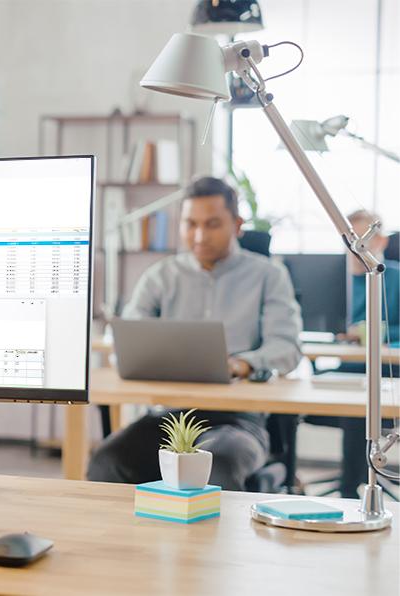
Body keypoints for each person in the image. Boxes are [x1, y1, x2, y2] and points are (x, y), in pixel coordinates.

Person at [87, 176, 303, 490]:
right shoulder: (161, 276)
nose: (199, 235)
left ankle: (204, 542)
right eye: (190, 224)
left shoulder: (268, 276)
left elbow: (287, 347)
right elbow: (128, 342)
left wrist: (241, 364)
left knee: (215, 466)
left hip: (238, 422)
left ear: (238, 224)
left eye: (213, 224)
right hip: (169, 417)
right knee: (107, 460)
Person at [311, 209, 399, 498]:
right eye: (350, 242)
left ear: (381, 241)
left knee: (360, 400)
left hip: (389, 369)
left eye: (363, 241)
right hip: (347, 365)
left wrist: (375, 333)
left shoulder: (394, 278)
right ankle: (293, 478)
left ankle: (353, 485)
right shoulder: (335, 279)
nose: (355, 250)